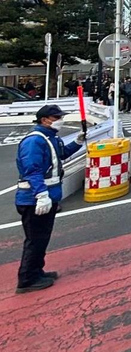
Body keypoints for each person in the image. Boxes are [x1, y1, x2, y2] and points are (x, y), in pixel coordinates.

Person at [14, 105, 85, 293]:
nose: (60, 120)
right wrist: (41, 195)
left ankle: (37, 271)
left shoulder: (50, 138)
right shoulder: (34, 141)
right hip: (33, 199)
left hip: (48, 197)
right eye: (56, 117)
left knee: (41, 238)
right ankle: (27, 278)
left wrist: (78, 142)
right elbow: (32, 170)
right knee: (35, 239)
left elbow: (61, 155)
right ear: (45, 119)